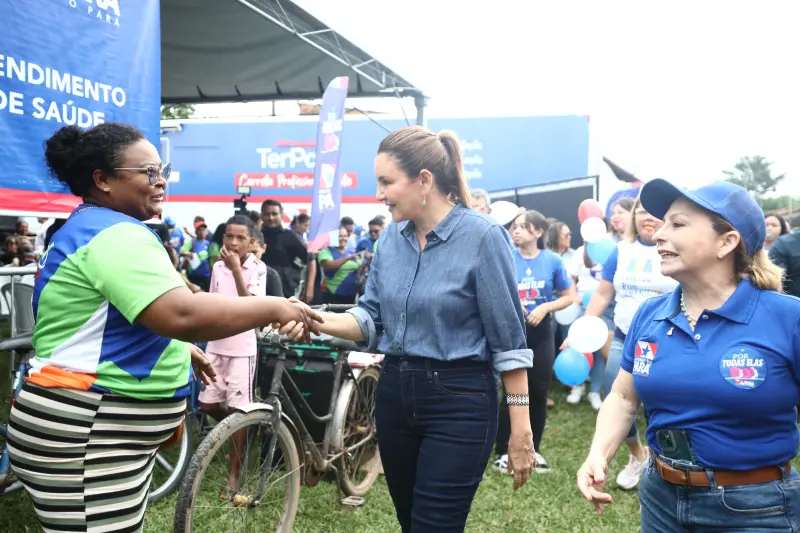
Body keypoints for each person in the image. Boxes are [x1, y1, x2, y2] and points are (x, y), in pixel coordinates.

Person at [6, 123, 321, 533]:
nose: (161, 182)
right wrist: (275, 306)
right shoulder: (114, 235)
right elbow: (181, 315)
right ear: (102, 180)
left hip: (96, 433)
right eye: (149, 172)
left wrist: (173, 348)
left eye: (163, 170)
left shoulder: (95, 227)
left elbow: (104, 317)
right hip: (88, 433)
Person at [285, 126, 534, 533]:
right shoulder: (390, 241)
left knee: (434, 525)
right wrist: (314, 320)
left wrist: (521, 431)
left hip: (461, 402)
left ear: (424, 180)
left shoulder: (484, 237)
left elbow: (510, 344)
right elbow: (370, 318)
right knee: (409, 521)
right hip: (395, 396)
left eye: (386, 182)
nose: (379, 194)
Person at [578, 179, 800, 532]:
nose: (658, 234)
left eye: (677, 224)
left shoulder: (788, 317)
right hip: (660, 498)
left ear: (727, 242)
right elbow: (622, 397)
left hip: (757, 509)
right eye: (662, 223)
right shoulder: (649, 315)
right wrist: (597, 454)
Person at [566, 196, 678, 490]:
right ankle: (637, 454)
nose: (646, 217)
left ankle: (664, 460)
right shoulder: (621, 251)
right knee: (613, 394)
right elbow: (603, 295)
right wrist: (579, 330)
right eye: (640, 212)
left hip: (669, 340)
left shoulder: (675, 249)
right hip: (625, 337)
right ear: (633, 218)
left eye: (653, 212)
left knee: (661, 403)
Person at [493, 210, 576, 475]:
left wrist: (546, 307)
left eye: (523, 227)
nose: (516, 231)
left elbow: (569, 295)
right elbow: (494, 291)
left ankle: (534, 449)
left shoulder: (551, 260)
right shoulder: (506, 257)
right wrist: (514, 305)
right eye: (514, 227)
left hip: (542, 333)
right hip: (511, 333)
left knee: (539, 392)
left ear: (538, 232)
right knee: (510, 393)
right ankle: (502, 452)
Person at [199, 214, 267, 495]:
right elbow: (215, 300)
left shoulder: (257, 268)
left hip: (242, 349)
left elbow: (251, 306)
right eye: (229, 236)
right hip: (216, 344)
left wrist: (237, 269)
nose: (234, 242)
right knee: (208, 405)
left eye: (241, 238)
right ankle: (244, 430)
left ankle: (235, 472)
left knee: (238, 409)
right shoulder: (217, 267)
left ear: (252, 242)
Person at [261, 199, 308, 297]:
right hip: (259, 288)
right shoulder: (256, 236)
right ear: (262, 216)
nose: (271, 217)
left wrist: (310, 287)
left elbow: (310, 260)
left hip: (284, 290)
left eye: (274, 214)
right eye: (267, 214)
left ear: (281, 216)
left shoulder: (290, 236)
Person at [318, 226, 363, 305]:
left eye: (345, 236)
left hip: (351, 295)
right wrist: (348, 258)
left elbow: (359, 267)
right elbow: (329, 266)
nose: (343, 238)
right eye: (340, 236)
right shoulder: (327, 250)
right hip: (333, 294)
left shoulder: (351, 251)